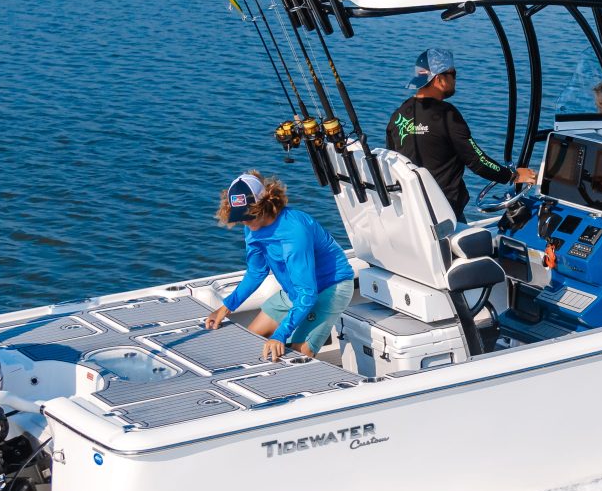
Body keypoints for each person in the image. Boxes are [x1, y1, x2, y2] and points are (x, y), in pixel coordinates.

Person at [203, 171, 354, 361]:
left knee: (298, 356)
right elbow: (256, 272)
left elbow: (308, 294)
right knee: (249, 341)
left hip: (330, 287)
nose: (244, 221)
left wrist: (280, 335)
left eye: (249, 215)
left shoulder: (293, 233)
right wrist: (224, 309)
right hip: (294, 291)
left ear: (263, 205)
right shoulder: (252, 227)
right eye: (239, 216)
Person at [386, 47, 535, 218]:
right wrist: (513, 175)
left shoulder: (398, 115)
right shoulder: (447, 115)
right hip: (445, 211)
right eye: (453, 74)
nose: (455, 79)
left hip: (412, 211)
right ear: (439, 79)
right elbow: (477, 160)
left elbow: (393, 163)